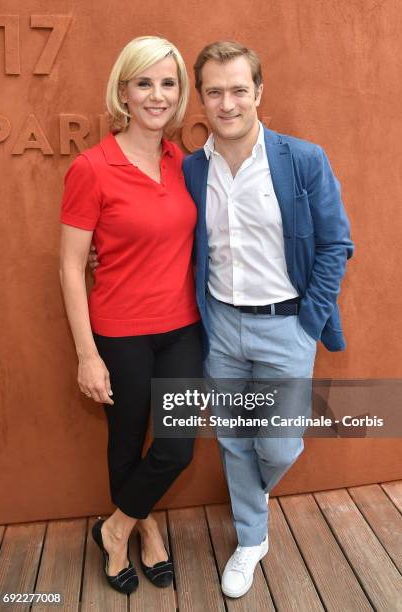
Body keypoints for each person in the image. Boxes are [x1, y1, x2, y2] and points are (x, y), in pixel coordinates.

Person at [181, 41, 354, 598]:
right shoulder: (190, 169)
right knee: (233, 436)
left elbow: (335, 243)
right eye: (214, 92)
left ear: (258, 92)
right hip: (221, 326)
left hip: (286, 325)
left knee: (277, 444)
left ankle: (251, 503)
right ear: (201, 99)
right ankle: (252, 538)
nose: (226, 103)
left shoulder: (302, 159)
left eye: (238, 89)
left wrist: (309, 321)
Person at [59, 36, 202, 594]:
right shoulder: (92, 168)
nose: (157, 94)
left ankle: (115, 530)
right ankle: (150, 533)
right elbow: (72, 267)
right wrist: (87, 355)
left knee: (176, 445)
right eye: (144, 82)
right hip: (119, 333)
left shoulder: (182, 163)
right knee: (125, 443)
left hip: (183, 328)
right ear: (123, 91)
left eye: (168, 83)